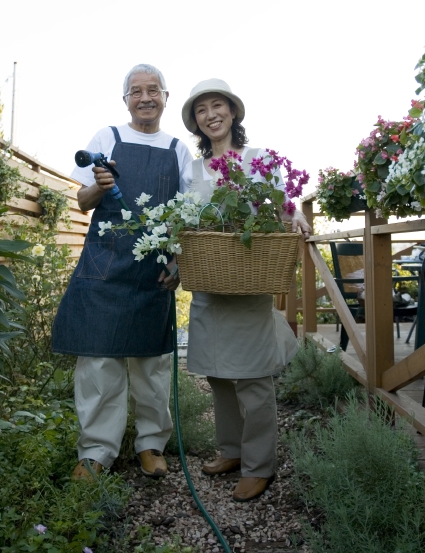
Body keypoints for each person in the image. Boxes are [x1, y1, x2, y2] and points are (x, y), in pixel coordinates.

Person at [52, 64, 192, 480]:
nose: (145, 97)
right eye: (136, 91)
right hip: (104, 267)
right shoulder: (106, 138)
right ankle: (96, 452)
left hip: (154, 270)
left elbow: (188, 216)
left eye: (154, 90)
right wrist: (100, 183)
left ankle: (152, 444)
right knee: (99, 363)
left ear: (166, 97)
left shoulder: (177, 149)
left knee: (152, 364)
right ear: (125, 99)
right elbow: (82, 199)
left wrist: (180, 261)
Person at [181, 78, 311, 502]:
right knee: (218, 375)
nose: (211, 115)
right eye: (202, 110)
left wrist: (295, 218)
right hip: (209, 282)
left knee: (253, 377)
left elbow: (282, 203)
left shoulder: (258, 159)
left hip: (248, 278)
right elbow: (182, 223)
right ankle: (232, 452)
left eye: (218, 105)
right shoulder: (193, 169)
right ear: (197, 123)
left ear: (233, 112)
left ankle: (259, 465)